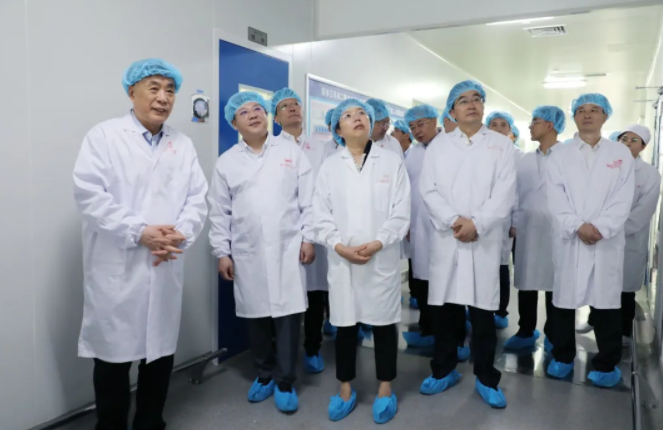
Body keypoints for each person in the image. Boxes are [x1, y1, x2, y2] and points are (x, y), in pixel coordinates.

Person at [72, 59, 209, 430]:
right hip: (118, 267)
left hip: (165, 262)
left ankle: (150, 422)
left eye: (170, 90)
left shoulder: (182, 144)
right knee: (112, 361)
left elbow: (197, 198)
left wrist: (180, 233)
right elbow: (89, 195)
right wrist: (139, 232)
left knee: (159, 357)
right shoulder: (104, 136)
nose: (164, 98)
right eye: (154, 88)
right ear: (131, 91)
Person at [208, 91, 315, 412]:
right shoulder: (227, 162)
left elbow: (309, 199)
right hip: (247, 251)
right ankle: (265, 374)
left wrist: (309, 237)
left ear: (267, 115)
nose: (253, 114)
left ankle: (284, 381)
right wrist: (222, 252)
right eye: (244, 112)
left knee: (288, 317)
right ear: (234, 123)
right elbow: (219, 212)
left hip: (288, 248)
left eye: (257, 108)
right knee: (256, 317)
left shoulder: (290, 151)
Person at [419, 80, 515, 408]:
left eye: (477, 98)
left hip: (483, 239)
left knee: (483, 314)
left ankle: (486, 378)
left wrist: (478, 223)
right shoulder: (439, 146)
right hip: (449, 238)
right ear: (452, 111)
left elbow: (505, 191)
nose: (471, 104)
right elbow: (428, 189)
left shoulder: (501, 145)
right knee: (446, 312)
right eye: (463, 100)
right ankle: (444, 370)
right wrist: (454, 220)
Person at [314, 99, 410, 424]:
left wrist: (380, 241)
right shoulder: (330, 167)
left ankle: (385, 388)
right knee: (345, 324)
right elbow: (320, 214)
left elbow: (401, 211)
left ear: (370, 124)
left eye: (362, 114)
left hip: (380, 257)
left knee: (383, 324)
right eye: (348, 115)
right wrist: (339, 246)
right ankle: (345, 388)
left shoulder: (391, 162)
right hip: (343, 261)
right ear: (337, 130)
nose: (357, 118)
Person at [545, 93, 635, 388]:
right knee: (563, 302)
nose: (587, 115)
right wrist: (577, 226)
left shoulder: (620, 154)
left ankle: (606, 363)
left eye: (594, 110)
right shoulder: (560, 153)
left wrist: (600, 228)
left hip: (605, 241)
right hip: (570, 239)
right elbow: (555, 196)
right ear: (574, 117)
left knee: (606, 303)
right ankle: (562, 357)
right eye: (581, 110)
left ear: (605, 116)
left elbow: (624, 197)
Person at [575, 125, 660, 346]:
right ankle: (593, 320)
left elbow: (643, 211)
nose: (627, 143)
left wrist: (609, 229)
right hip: (601, 236)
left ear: (643, 147)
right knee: (597, 284)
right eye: (624, 139)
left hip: (627, 238)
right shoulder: (606, 167)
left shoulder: (650, 174)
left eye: (634, 140)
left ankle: (624, 332)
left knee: (624, 290)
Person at [272, 88, 331, 374]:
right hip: (283, 232)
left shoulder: (320, 147)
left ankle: (312, 347)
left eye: (296, 104)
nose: (293, 108)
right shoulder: (271, 147)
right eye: (285, 106)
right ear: (276, 118)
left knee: (315, 291)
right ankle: (282, 352)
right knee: (285, 292)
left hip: (316, 228)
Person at [402, 104, 468, 354]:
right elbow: (406, 190)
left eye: (421, 124)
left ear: (434, 121)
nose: (417, 131)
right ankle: (428, 331)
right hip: (419, 227)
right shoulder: (413, 153)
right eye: (412, 127)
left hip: (445, 226)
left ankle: (457, 340)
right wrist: (408, 223)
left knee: (449, 286)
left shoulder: (451, 146)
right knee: (423, 284)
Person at [504, 106, 566, 352]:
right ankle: (526, 330)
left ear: (550, 125)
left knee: (555, 285)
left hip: (557, 230)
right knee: (526, 282)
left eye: (535, 121)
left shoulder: (569, 157)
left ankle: (554, 333)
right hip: (527, 228)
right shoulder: (525, 160)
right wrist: (514, 222)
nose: (530, 126)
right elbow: (514, 193)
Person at [485, 111, 523, 329]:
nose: (498, 129)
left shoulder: (516, 155)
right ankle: (481, 309)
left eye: (503, 125)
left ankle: (500, 311)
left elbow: (516, 191)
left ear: (510, 130)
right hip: (481, 220)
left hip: (504, 221)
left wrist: (515, 221)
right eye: (494, 124)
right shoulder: (480, 151)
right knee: (482, 267)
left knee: (500, 266)